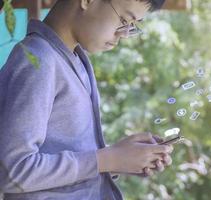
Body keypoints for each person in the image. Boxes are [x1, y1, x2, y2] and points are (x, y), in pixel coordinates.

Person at [0, 0, 173, 199]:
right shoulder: (38, 61)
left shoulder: (76, 61)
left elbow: (63, 160)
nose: (124, 34)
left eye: (132, 26)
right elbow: (13, 171)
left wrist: (121, 159)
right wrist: (107, 159)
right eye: (125, 19)